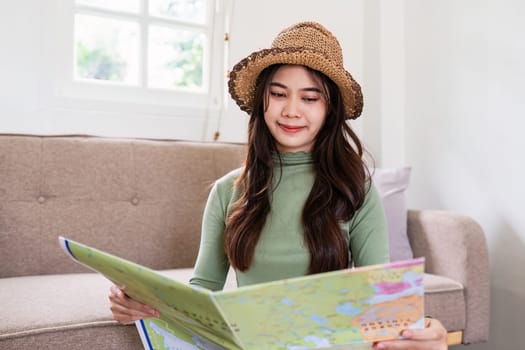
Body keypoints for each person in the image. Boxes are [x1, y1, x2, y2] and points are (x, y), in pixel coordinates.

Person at [109, 21, 448, 350]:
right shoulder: (228, 191)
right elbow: (202, 291)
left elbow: (383, 299)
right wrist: (145, 307)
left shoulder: (356, 189)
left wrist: (425, 328)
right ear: (263, 101)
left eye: (310, 98)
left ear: (330, 109)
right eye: (278, 94)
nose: (291, 110)